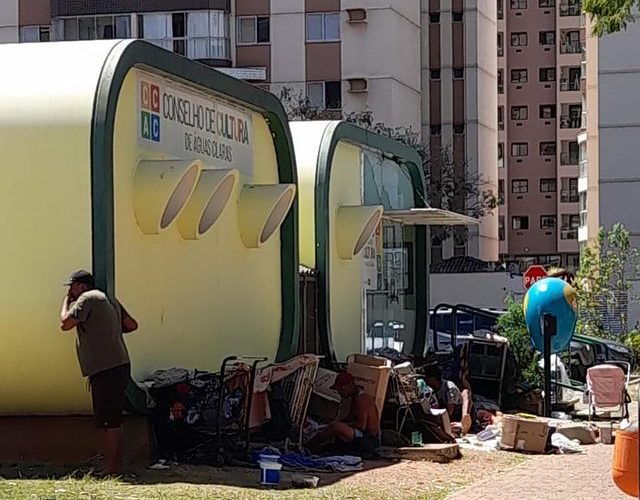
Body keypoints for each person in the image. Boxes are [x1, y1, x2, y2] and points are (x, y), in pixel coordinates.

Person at [59, 270, 138, 476]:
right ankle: (113, 466)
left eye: (72, 286)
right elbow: (131, 325)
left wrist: (66, 302)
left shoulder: (87, 298)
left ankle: (112, 469)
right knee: (112, 419)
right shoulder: (108, 298)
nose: (70, 291)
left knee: (108, 422)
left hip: (105, 368)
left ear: (82, 286)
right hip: (119, 364)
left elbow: (65, 323)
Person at [307, 372, 380, 456]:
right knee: (332, 426)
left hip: (368, 439)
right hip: (361, 436)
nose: (340, 393)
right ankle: (311, 446)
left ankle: (308, 446)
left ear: (349, 386)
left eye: (341, 390)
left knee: (335, 427)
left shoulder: (361, 399)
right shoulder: (354, 398)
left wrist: (341, 424)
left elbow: (361, 425)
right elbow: (350, 418)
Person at [421, 364, 472, 435]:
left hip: (454, 415)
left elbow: (449, 412)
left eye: (426, 378)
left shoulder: (450, 388)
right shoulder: (431, 389)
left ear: (432, 378)